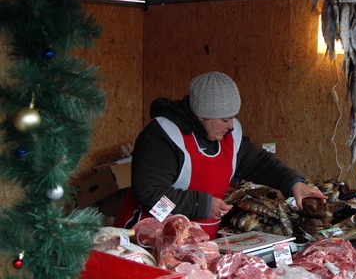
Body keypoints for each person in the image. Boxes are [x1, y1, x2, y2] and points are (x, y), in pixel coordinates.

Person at [114, 71, 327, 239]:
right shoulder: (162, 136)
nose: (231, 125)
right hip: (148, 238)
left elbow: (258, 163)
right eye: (225, 119)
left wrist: (293, 183)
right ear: (202, 115)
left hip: (198, 244)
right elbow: (151, 195)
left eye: (233, 117)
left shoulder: (230, 136)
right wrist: (202, 205)